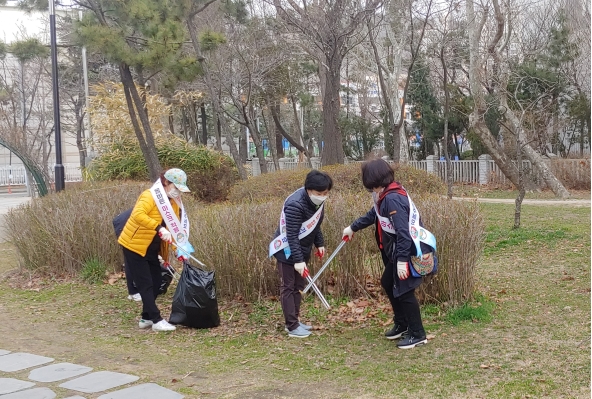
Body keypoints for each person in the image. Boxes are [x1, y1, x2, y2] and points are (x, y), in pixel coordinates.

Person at [342, 159, 436, 349]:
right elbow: (374, 214)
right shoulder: (385, 194)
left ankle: (418, 334)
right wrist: (353, 227)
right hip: (402, 250)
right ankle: (402, 324)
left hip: (408, 251)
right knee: (388, 282)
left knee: (405, 291)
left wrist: (401, 261)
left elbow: (403, 233)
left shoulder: (392, 198)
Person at [118, 168, 193, 332]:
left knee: (157, 281)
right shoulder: (149, 195)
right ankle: (156, 320)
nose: (178, 191)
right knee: (145, 284)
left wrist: (178, 249)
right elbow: (138, 214)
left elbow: (173, 228)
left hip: (152, 248)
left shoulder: (174, 202)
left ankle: (146, 318)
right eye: (176, 187)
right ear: (166, 182)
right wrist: (158, 228)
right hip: (134, 245)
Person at [269, 170, 333, 338]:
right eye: (320, 193)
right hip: (287, 251)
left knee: (299, 286)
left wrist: (319, 243)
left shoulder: (316, 202)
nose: (323, 196)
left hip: (301, 250)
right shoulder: (295, 205)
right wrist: (298, 260)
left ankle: (295, 320)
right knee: (288, 287)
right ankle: (291, 326)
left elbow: (315, 224)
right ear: (309, 190)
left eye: (326, 193)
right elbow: (291, 235)